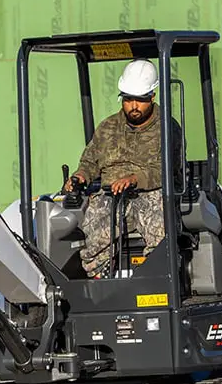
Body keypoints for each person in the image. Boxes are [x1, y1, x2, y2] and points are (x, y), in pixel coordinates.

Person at [64, 59, 182, 277]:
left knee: (160, 223)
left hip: (151, 193)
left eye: (140, 100)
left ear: (152, 97)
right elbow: (90, 161)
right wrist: (80, 176)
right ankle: (98, 279)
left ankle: (154, 277)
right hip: (111, 195)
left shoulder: (168, 128)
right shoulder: (107, 127)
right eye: (128, 100)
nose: (134, 106)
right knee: (92, 224)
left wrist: (134, 179)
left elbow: (165, 170)